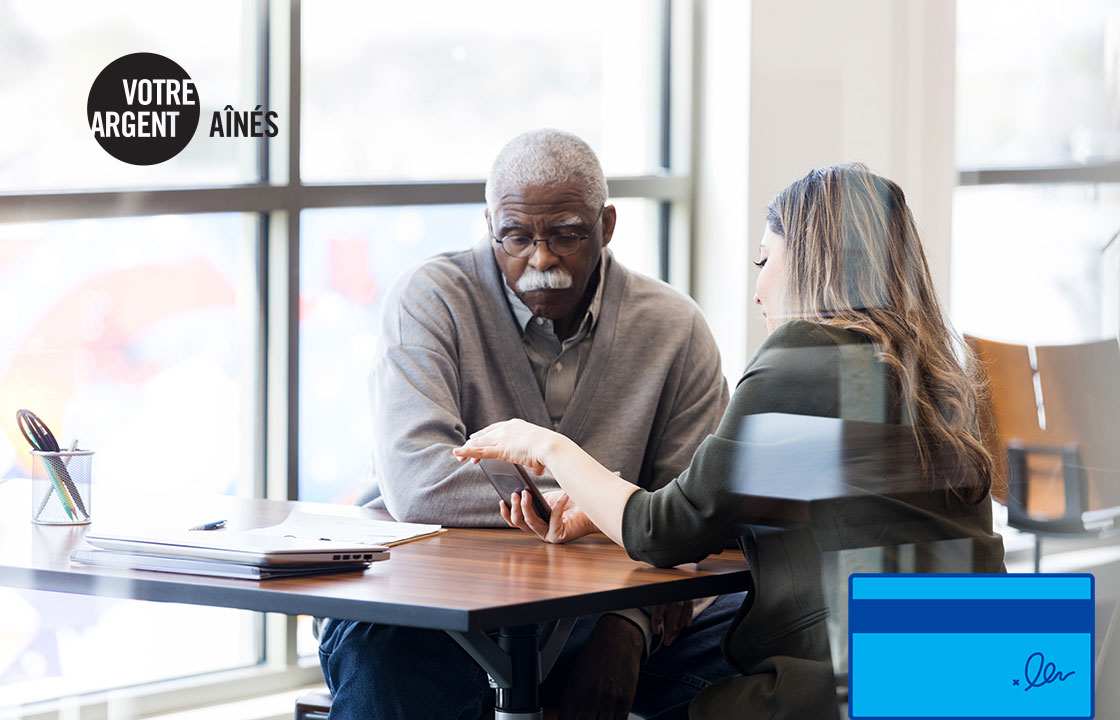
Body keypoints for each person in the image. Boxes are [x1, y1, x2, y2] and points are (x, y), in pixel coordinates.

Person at [455, 163, 1007, 719]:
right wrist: (601, 508)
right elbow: (781, 506)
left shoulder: (804, 355)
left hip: (851, 689)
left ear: (812, 261)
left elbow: (662, 533)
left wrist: (548, 446)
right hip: (984, 677)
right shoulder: (930, 373)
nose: (757, 288)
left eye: (765, 260)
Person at [318, 129, 743, 719]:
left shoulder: (674, 328)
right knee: (390, 660)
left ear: (607, 225)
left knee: (766, 633)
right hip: (427, 597)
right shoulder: (431, 299)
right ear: (489, 224)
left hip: (599, 604)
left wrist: (630, 624)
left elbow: (692, 514)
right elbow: (420, 483)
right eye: (515, 237)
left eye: (566, 235)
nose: (540, 260)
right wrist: (606, 507)